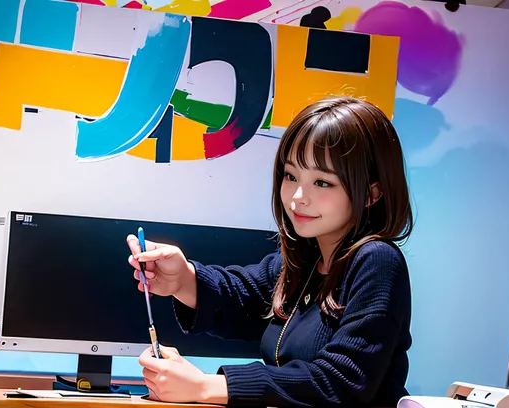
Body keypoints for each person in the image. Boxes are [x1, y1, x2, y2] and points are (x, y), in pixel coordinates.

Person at [126, 96, 414, 407]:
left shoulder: (377, 261)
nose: (298, 197)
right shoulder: (305, 261)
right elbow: (242, 297)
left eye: (322, 182)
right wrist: (182, 279)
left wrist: (206, 386)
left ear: (372, 193)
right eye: (291, 176)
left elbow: (342, 381)